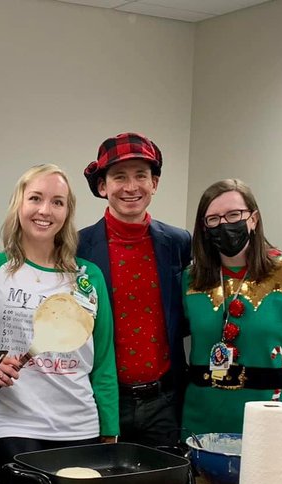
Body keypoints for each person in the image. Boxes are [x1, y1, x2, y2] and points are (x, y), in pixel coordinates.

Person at [0, 164, 118, 484]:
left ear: (67, 212)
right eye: (35, 198)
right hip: (9, 421)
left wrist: (109, 424)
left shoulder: (88, 277)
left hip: (77, 423)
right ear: (19, 204)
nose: (44, 210)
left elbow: (104, 359)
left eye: (57, 202)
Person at [181, 179, 282, 448]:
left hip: (277, 427)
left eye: (234, 215)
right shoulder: (190, 281)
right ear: (204, 228)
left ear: (253, 219)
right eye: (213, 219)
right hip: (205, 426)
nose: (224, 224)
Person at [78, 133, 193, 448]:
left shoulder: (179, 243)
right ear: (103, 187)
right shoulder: (77, 248)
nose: (131, 187)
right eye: (119, 177)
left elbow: (187, 313)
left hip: (165, 401)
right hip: (100, 399)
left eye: (141, 175)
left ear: (154, 183)